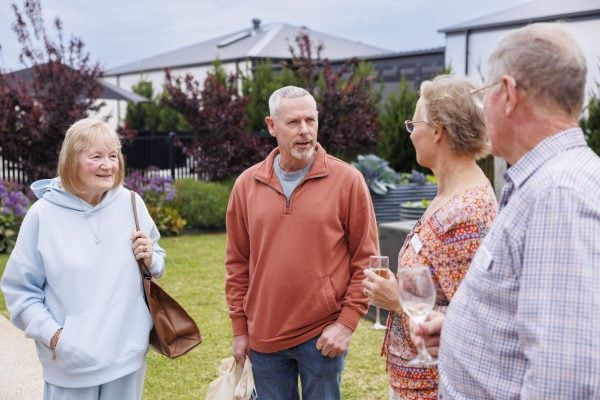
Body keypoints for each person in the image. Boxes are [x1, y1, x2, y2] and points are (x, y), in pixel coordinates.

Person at [412, 23, 600, 399]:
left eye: (485, 92)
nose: (482, 109)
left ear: (509, 94)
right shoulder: (545, 183)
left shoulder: (557, 194)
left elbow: (562, 379)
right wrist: (458, 332)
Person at [225, 85, 379, 399]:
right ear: (271, 126)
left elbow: (367, 259)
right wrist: (240, 330)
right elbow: (237, 264)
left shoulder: (348, 181)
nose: (305, 131)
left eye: (311, 120)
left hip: (322, 335)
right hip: (264, 335)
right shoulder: (246, 185)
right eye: (294, 123)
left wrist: (347, 324)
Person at [1, 118, 165, 400]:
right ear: (71, 161)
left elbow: (157, 262)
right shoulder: (42, 215)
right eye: (96, 156)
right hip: (71, 365)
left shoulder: (131, 203)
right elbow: (20, 291)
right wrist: (56, 338)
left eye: (113, 155)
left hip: (127, 359)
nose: (108, 165)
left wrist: (151, 257)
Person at [362, 75, 497, 400]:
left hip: (436, 387)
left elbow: (477, 321)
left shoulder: (467, 212)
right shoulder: (449, 195)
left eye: (414, 124)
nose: (411, 134)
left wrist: (397, 299)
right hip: (417, 381)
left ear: (437, 131)